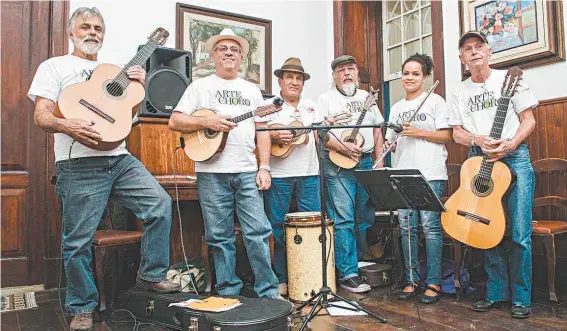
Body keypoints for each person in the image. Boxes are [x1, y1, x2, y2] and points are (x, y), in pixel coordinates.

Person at [28, 7, 179, 331]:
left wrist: (137, 90)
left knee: (160, 204)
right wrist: (66, 125)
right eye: (85, 26)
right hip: (78, 163)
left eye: (98, 27)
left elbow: (123, 113)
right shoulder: (55, 66)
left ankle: (151, 275)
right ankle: (82, 307)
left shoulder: (112, 70)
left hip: (119, 158)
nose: (92, 31)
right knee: (77, 239)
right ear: (72, 31)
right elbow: (41, 115)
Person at [169, 28, 281, 299]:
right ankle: (228, 292)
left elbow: (262, 131)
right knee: (219, 237)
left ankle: (268, 291)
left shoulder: (252, 90)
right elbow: (175, 121)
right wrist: (206, 121)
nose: (229, 52)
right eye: (222, 49)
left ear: (242, 57)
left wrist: (264, 166)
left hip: (245, 170)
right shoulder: (199, 87)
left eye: (234, 49)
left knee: (258, 231)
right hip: (210, 173)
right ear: (213, 56)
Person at [449, 31, 537, 318]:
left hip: (515, 159)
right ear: (461, 58)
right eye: (467, 49)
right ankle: (496, 292)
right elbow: (457, 133)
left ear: (489, 51)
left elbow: (529, 120)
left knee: (519, 234)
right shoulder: (459, 91)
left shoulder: (509, 79)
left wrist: (510, 143)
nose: (473, 52)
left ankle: (521, 298)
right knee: (487, 228)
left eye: (478, 47)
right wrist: (478, 139)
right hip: (480, 160)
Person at [382, 53, 451, 304]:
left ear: (424, 77)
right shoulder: (398, 108)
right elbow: (392, 141)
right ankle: (411, 280)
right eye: (406, 73)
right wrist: (390, 144)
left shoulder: (435, 101)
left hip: (430, 173)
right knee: (406, 228)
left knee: (430, 228)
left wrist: (418, 132)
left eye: (415, 73)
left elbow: (446, 136)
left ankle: (433, 282)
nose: (409, 77)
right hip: (403, 173)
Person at [315, 55, 385, 293]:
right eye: (341, 70)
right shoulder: (325, 99)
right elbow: (320, 134)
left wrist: (380, 161)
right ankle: (348, 273)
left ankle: (355, 260)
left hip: (365, 162)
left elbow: (377, 130)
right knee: (343, 216)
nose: (346, 73)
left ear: (357, 73)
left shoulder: (367, 97)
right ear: (334, 75)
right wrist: (343, 147)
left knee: (364, 216)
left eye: (351, 69)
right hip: (337, 164)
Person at [263, 58, 320, 296]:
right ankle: (282, 278)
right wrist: (275, 135)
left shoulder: (312, 107)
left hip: (309, 174)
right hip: (279, 175)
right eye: (290, 77)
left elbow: (319, 136)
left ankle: (309, 277)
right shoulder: (268, 106)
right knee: (277, 227)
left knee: (311, 226)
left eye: (299, 78)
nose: (294, 82)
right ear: (280, 81)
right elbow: (261, 135)